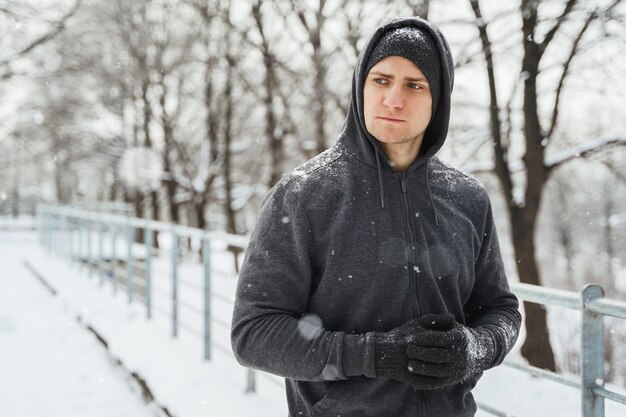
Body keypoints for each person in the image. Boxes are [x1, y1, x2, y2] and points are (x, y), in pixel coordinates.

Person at [231, 16, 521, 417]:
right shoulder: (304, 195)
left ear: (439, 99)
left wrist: (475, 349)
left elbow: (501, 311)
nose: (394, 99)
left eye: (414, 85)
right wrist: (375, 355)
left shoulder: (467, 198)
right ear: (360, 88)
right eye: (381, 81)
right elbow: (254, 334)